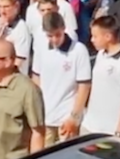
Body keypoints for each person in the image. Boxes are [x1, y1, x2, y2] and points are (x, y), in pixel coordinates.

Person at [33, 13, 89, 146]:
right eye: (50, 36)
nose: (54, 40)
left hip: (66, 119)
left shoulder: (78, 50)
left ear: (64, 28)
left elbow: (84, 87)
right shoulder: (41, 48)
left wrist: (74, 117)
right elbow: (36, 79)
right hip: (45, 118)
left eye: (57, 35)